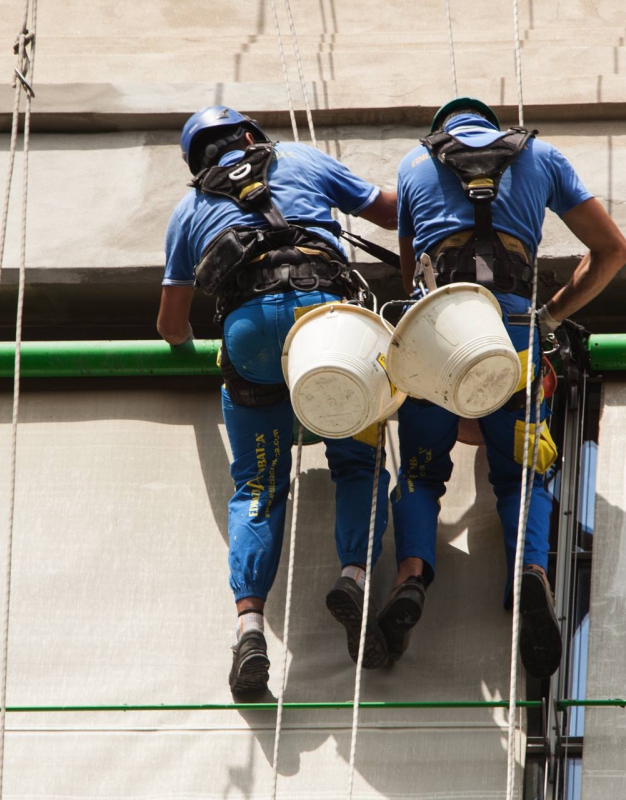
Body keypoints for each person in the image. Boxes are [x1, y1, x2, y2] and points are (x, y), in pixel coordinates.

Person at [379, 97, 626, 678]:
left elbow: (409, 272)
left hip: (437, 336)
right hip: (514, 334)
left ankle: (410, 577)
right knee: (525, 468)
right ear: (492, 126)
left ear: (443, 128)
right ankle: (532, 573)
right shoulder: (541, 156)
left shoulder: (415, 165)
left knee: (419, 470)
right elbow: (614, 251)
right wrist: (552, 315)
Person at [156, 106, 400, 694]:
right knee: (356, 464)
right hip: (327, 328)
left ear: (198, 161)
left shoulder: (188, 210)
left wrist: (192, 344)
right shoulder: (299, 157)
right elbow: (392, 211)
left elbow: (170, 325)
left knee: (258, 487)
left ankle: (249, 630)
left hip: (250, 338)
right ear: (248, 136)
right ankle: (353, 577)